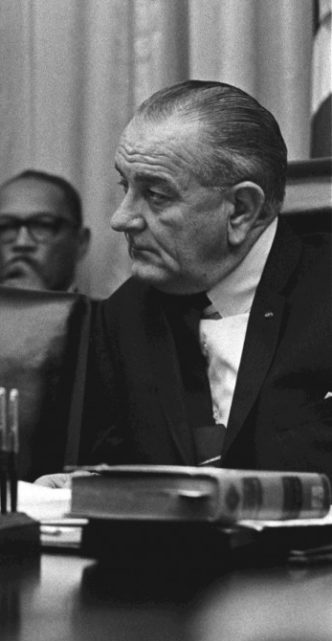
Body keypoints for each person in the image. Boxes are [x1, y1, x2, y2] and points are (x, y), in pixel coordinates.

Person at [76, 80, 332, 480]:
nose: (121, 219)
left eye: (156, 195)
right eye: (126, 187)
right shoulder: (124, 317)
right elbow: (111, 468)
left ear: (241, 210)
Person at [0, 169, 89, 291]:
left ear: (81, 242)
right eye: (5, 226)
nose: (21, 243)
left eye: (43, 225)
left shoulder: (106, 310)